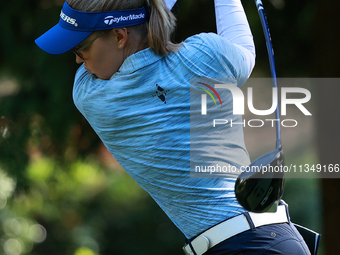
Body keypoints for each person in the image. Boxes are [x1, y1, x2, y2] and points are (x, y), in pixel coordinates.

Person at [35, 0, 311, 254]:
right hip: (273, 239)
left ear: (120, 37)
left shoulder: (90, 96)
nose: (77, 60)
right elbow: (245, 54)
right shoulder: (203, 56)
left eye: (80, 48)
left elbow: (147, 14)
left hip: (244, 244)